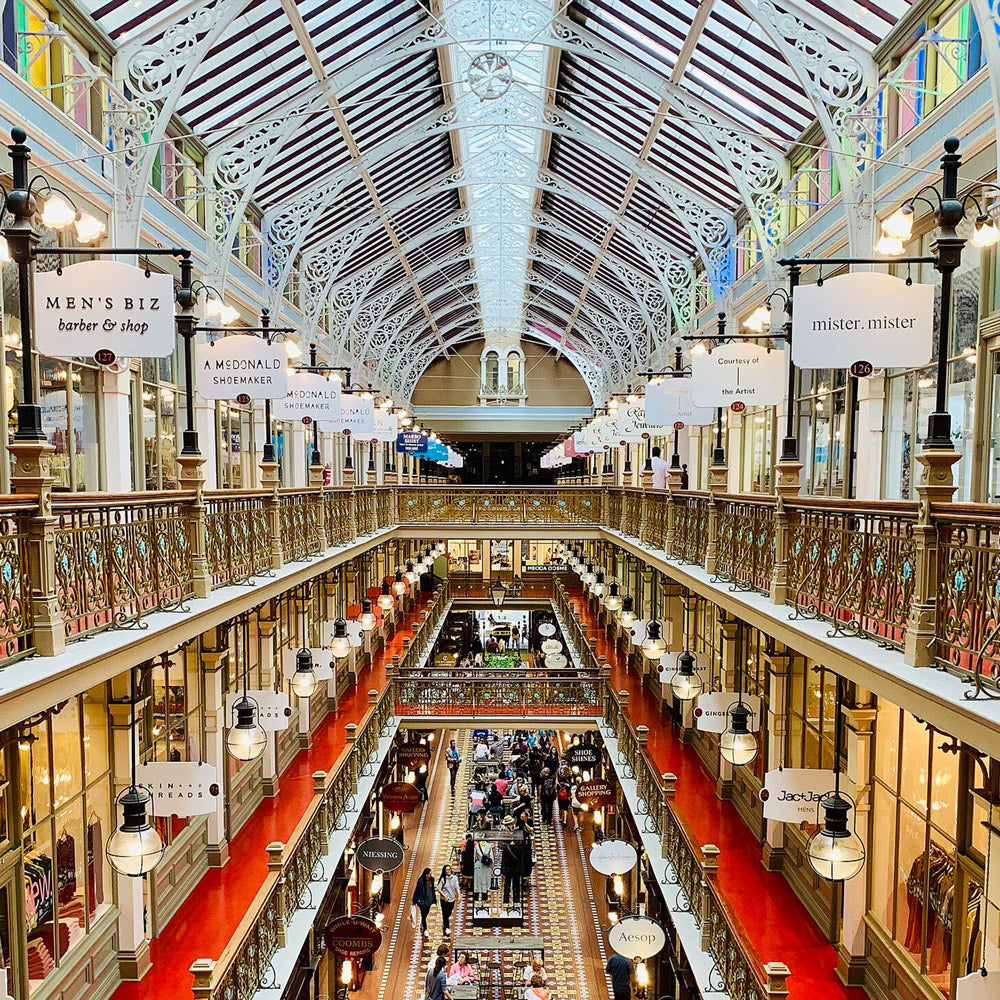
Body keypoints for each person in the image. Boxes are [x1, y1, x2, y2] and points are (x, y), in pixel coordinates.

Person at [500, 822, 522, 909]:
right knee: (514, 885)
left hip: (509, 868)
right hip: (514, 868)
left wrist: (502, 869)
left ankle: (507, 901)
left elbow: (503, 859)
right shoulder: (518, 847)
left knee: (508, 885)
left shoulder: (507, 847)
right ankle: (514, 901)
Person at [412, 867, 436, 934]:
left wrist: (434, 899)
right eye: (430, 874)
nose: (431, 875)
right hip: (422, 901)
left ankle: (422, 923)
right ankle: (425, 929)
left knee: (426, 913)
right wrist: (414, 901)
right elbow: (417, 891)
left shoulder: (431, 880)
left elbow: (432, 890)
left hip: (429, 900)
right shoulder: (421, 881)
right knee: (423, 915)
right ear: (426, 874)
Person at [437, 864, 459, 934]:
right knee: (445, 914)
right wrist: (444, 896)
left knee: (449, 912)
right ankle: (446, 927)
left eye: (449, 869)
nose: (448, 871)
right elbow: (439, 889)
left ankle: (445, 923)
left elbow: (457, 887)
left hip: (452, 899)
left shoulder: (454, 878)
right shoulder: (443, 879)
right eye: (447, 870)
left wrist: (459, 896)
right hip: (444, 900)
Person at [473, 839, 494, 909]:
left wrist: (492, 869)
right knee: (477, 882)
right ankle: (476, 899)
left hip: (486, 866)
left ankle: (484, 899)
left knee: (485, 882)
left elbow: (491, 858)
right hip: (478, 865)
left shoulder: (488, 846)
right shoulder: (476, 846)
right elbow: (474, 857)